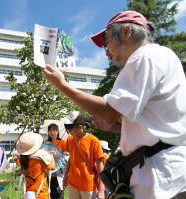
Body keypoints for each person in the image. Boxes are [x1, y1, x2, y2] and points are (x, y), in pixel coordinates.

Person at [42, 10, 186, 199]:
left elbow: (109, 111)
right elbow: (157, 124)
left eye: (107, 42)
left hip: (159, 176)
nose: (106, 51)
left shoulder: (144, 57)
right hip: (166, 171)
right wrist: (120, 127)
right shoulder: (162, 56)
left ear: (126, 32)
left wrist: (62, 85)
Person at [62, 112, 105, 199]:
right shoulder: (70, 139)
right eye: (68, 129)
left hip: (88, 184)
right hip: (72, 183)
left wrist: (101, 189)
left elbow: (100, 165)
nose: (69, 132)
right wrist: (65, 175)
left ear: (81, 126)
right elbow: (72, 157)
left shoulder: (93, 141)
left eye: (71, 129)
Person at [16, 132, 55, 199]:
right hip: (40, 195)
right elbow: (52, 167)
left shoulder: (21, 158)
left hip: (28, 195)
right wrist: (51, 156)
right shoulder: (41, 159)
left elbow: (17, 172)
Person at [46, 123, 66, 199]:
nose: (52, 132)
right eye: (50, 130)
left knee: (59, 195)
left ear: (58, 132)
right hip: (50, 173)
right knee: (52, 195)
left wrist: (57, 154)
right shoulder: (47, 144)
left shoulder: (63, 142)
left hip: (60, 173)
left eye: (54, 130)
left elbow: (66, 156)